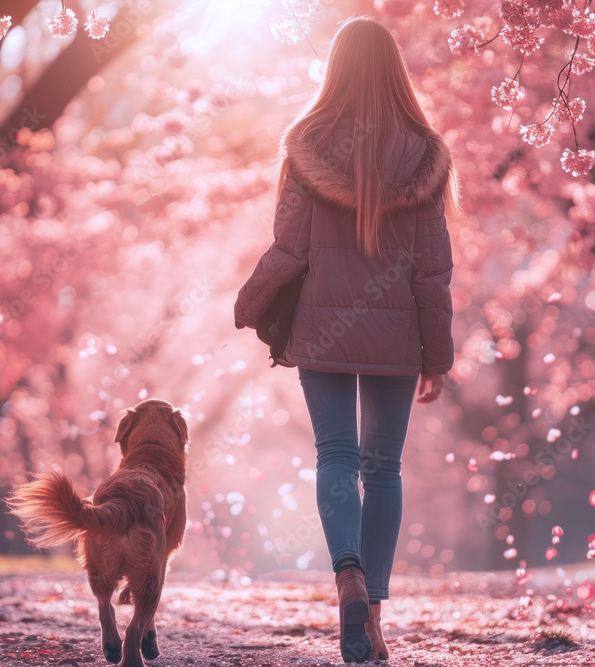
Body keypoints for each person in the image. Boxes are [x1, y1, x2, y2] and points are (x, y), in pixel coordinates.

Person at [233, 15, 459, 664]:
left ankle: (347, 576)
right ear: (396, 73)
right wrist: (437, 354)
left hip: (322, 332)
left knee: (334, 453)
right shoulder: (425, 151)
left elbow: (290, 249)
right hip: (397, 339)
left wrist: (250, 302)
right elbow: (432, 272)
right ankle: (376, 619)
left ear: (335, 70)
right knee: (381, 469)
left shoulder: (305, 144)